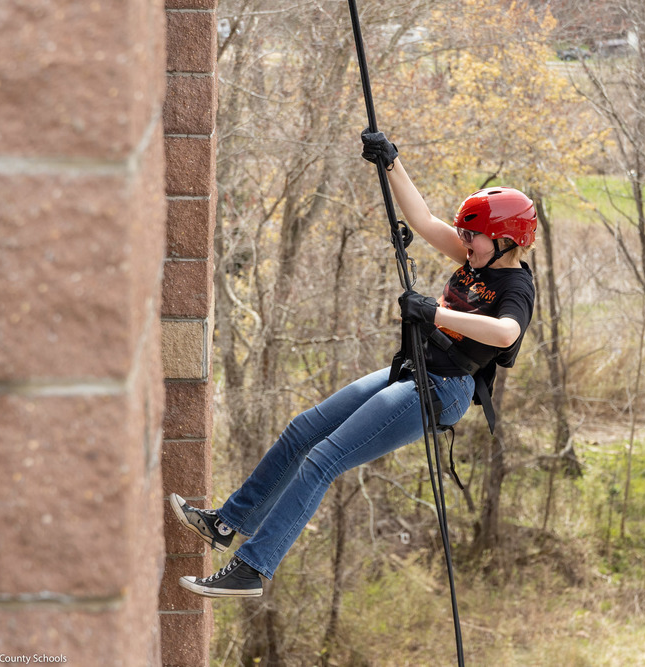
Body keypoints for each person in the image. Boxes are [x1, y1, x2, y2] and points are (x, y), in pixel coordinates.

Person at [170, 130, 537, 598]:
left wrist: (434, 313)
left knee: (323, 460)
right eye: (463, 232)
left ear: (507, 240)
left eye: (474, 235)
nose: (464, 240)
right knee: (302, 431)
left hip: (442, 390)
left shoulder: (515, 289)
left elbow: (507, 333)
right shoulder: (473, 261)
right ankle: (228, 522)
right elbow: (423, 220)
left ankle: (251, 569)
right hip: (414, 372)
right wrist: (391, 163)